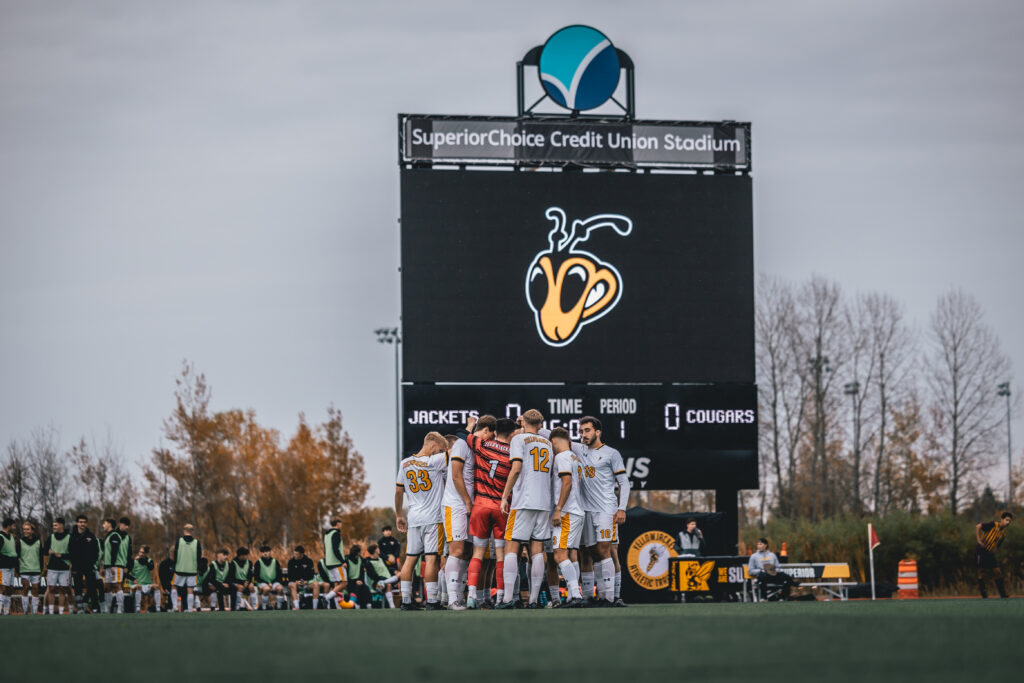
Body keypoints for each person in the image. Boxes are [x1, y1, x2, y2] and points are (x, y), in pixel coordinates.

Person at [541, 416, 629, 606]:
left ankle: (610, 598)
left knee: (605, 550)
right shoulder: (578, 450)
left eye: (587, 430)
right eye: (581, 431)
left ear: (598, 432)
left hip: (606, 508)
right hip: (585, 509)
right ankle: (589, 596)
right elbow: (554, 435)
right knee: (590, 553)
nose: (583, 435)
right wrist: (533, 424)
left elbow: (623, 482)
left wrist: (621, 508)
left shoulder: (611, 453)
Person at [499, 409, 554, 609]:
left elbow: (516, 469)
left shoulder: (518, 439)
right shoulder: (548, 443)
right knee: (537, 550)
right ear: (540, 424)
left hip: (524, 500)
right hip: (544, 502)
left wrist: (505, 496)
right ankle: (533, 600)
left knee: (511, 548)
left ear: (523, 423)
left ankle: (507, 599)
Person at [462, 415, 514, 609]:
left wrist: (470, 425)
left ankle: (471, 596)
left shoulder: (482, 444)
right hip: (502, 506)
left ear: (495, 432)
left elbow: (463, 435)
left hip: (480, 505)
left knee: (477, 553)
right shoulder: (513, 452)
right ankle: (500, 597)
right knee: (501, 554)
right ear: (511, 433)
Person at [395, 431, 449, 610]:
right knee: (432, 558)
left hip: (414, 518)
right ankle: (432, 601)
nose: (440, 452)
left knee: (410, 559)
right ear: (432, 445)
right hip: (433, 518)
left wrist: (398, 516)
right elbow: (457, 453)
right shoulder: (434, 461)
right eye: (439, 449)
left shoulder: (404, 463)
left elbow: (398, 492)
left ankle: (405, 601)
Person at [548, 427, 585, 607]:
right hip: (577, 510)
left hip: (568, 511)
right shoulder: (574, 457)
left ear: (554, 441)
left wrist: (559, 509)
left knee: (559, 554)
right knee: (571, 554)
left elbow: (567, 482)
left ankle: (575, 595)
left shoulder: (562, 457)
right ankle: (573, 595)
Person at [976, 511, 1013, 599]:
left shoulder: (1003, 533)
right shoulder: (993, 524)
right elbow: (978, 526)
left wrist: (994, 551)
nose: (1008, 522)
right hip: (981, 550)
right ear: (1002, 519)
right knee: (981, 572)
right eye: (1006, 520)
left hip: (990, 553)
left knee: (997, 571)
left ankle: (1003, 594)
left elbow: (998, 545)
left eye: (1009, 521)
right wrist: (978, 540)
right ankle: (984, 594)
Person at [69, 515, 100, 613]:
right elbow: (70, 551)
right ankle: (79, 608)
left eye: (84, 522)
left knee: (91, 586)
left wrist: (92, 561)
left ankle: (91, 606)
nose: (82, 524)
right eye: (80, 522)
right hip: (76, 566)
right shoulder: (72, 536)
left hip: (88, 566)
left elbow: (96, 551)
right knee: (78, 587)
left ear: (86, 523)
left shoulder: (90, 536)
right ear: (77, 523)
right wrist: (73, 564)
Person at [100, 517, 132, 614]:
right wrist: (104, 565)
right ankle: (108, 608)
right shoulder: (110, 535)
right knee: (107, 587)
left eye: (104, 523)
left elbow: (115, 551)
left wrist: (114, 565)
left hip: (116, 565)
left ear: (109, 524)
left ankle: (119, 607)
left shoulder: (115, 536)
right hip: (109, 565)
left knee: (117, 585)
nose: (103, 525)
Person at [44, 517, 74, 614]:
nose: (54, 527)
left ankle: (61, 612)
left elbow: (73, 554)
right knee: (51, 589)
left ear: (61, 525)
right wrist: (49, 551)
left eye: (56, 525)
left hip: (64, 568)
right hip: (52, 567)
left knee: (63, 590)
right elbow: (44, 551)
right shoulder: (51, 537)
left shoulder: (69, 537)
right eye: (53, 525)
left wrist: (61, 555)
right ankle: (51, 611)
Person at [169, 523, 202, 612]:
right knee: (190, 590)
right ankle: (190, 609)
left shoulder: (179, 541)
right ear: (192, 531)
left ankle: (175, 607)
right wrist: (198, 569)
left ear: (184, 530)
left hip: (180, 569)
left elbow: (175, 555)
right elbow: (199, 557)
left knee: (174, 587)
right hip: (192, 570)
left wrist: (174, 565)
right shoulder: (197, 543)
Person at [364, 543, 399, 608]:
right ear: (375, 551)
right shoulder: (369, 562)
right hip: (377, 585)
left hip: (386, 581)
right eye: (378, 548)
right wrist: (383, 579)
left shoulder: (381, 559)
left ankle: (386, 582)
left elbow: (387, 568)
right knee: (388, 585)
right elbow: (374, 576)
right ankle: (392, 606)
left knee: (401, 574)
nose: (379, 549)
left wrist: (394, 571)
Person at [130, 545, 159, 613]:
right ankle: (137, 607)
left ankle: (158, 608)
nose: (141, 554)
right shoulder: (133, 561)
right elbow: (126, 573)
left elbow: (151, 567)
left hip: (147, 584)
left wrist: (144, 560)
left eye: (143, 553)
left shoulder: (149, 561)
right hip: (136, 585)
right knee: (139, 587)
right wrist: (133, 579)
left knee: (157, 587)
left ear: (146, 554)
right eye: (140, 552)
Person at [323, 520, 348, 598]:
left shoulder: (326, 535)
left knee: (336, 584)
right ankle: (327, 597)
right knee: (344, 583)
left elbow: (325, 549)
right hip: (336, 563)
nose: (341, 525)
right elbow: (335, 549)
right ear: (338, 524)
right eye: (341, 523)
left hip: (329, 562)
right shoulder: (336, 534)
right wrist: (342, 561)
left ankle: (338, 606)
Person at [254, 545, 284, 610]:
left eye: (266, 551)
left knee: (280, 589)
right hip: (262, 582)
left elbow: (279, 575)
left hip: (274, 582)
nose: (265, 553)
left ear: (270, 552)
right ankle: (264, 606)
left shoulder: (275, 562)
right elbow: (256, 577)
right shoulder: (258, 563)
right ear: (261, 553)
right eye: (263, 552)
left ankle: (279, 606)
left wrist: (272, 583)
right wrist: (267, 583)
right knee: (266, 589)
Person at [286, 545, 314, 610]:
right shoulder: (291, 561)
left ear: (301, 554)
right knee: (292, 585)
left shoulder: (309, 561)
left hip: (306, 583)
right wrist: (296, 581)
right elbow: (289, 575)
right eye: (294, 554)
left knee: (316, 585)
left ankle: (315, 607)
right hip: (295, 583)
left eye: (296, 554)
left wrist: (306, 581)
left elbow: (311, 574)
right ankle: (297, 607)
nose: (295, 555)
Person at [0, 518, 18, 615]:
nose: (14, 528)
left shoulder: (11, 537)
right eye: (13, 526)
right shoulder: (0, 537)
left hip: (11, 568)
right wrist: (8, 558)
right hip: (2, 568)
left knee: (10, 589)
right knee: (2, 588)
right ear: (8, 526)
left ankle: (6, 611)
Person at [345, 544, 370, 608]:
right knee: (356, 588)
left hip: (358, 580)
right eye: (358, 553)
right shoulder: (346, 560)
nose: (359, 555)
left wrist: (360, 580)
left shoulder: (360, 559)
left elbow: (362, 572)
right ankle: (355, 603)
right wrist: (354, 581)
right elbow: (346, 576)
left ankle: (367, 604)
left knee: (366, 588)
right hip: (349, 582)